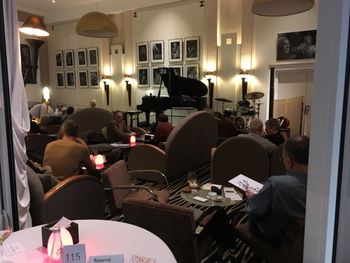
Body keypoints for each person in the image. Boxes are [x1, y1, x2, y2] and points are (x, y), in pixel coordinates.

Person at [244, 135, 309, 245]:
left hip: (277, 238)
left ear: (288, 161)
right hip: (309, 241)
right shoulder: (327, 185)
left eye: (282, 159)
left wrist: (251, 197)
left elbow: (253, 210)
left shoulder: (276, 184)